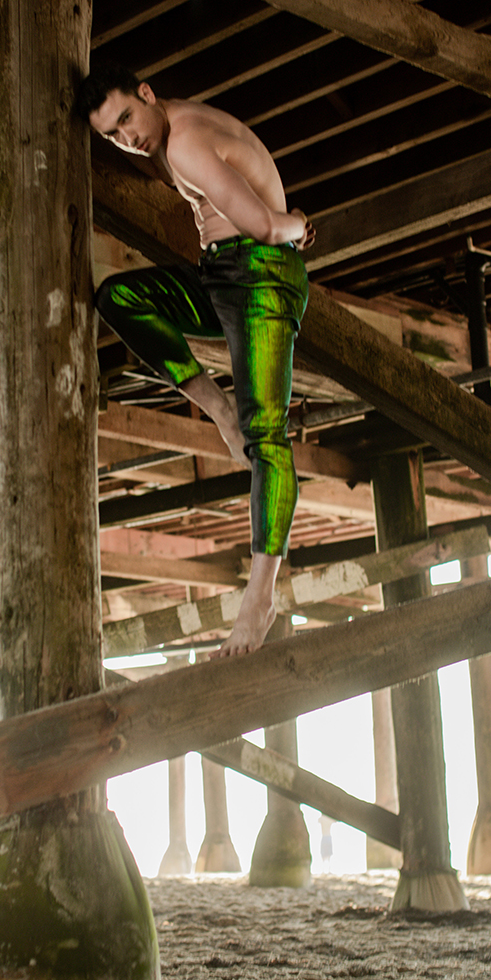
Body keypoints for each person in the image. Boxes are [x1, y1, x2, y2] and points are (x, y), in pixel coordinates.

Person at [75, 64, 314, 657]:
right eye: (111, 135)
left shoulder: (183, 140)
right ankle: (217, 409)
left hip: (260, 275)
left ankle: (261, 593)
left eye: (126, 118)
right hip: (223, 275)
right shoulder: (173, 131)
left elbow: (262, 224)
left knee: (267, 434)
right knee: (119, 298)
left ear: (148, 94)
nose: (126, 139)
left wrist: (300, 227)